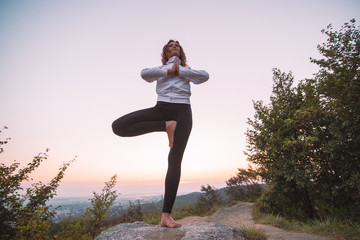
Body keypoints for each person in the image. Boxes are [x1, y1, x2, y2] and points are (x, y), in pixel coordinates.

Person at [112, 40, 209, 228]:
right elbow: (144, 74)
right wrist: (167, 70)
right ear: (165, 52)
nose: (175, 47)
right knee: (118, 126)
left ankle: (166, 216)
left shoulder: (187, 71)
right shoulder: (159, 69)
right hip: (161, 109)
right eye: (171, 46)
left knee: (174, 160)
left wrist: (180, 70)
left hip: (183, 112)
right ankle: (165, 126)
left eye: (177, 46)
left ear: (181, 52)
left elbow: (205, 76)